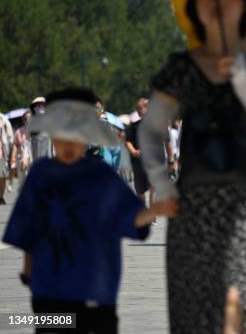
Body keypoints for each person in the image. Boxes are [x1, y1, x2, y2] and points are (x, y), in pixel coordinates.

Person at [138, 0, 246, 333]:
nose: (218, 1)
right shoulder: (182, 66)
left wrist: (241, 76)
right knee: (195, 315)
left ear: (245, 4)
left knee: (236, 306)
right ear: (193, 6)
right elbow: (150, 130)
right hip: (193, 207)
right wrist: (161, 183)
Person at [1, 88, 177, 334]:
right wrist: (28, 273)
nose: (69, 144)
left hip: (95, 289)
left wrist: (154, 210)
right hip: (48, 289)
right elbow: (29, 228)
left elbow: (131, 218)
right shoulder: (40, 175)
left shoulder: (102, 176)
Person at [125, 98, 153, 202]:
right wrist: (133, 151)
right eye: (137, 108)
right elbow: (128, 141)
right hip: (138, 160)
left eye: (139, 107)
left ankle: (151, 206)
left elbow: (167, 141)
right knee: (140, 188)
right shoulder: (133, 126)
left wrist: (171, 160)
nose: (137, 110)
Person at [10, 112, 32, 181]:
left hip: (33, 158)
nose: (28, 120)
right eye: (26, 118)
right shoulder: (18, 131)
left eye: (30, 118)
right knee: (23, 182)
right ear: (23, 120)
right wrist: (13, 158)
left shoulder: (37, 130)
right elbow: (15, 145)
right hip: (21, 158)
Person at [29, 97, 53, 161]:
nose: (40, 107)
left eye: (43, 105)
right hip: (39, 157)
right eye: (38, 105)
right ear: (34, 108)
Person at [0, 111, 14, 205]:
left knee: (2, 175)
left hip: (1, 151)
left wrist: (10, 151)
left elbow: (10, 137)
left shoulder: (3, 119)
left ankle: (0, 196)